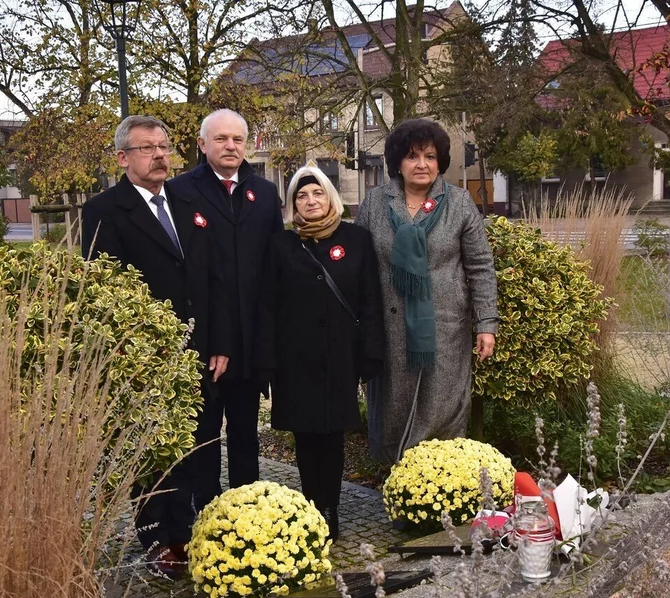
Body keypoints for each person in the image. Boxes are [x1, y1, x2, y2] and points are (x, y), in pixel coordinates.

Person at [82, 115, 230, 579]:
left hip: (199, 351)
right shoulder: (105, 210)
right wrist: (137, 351)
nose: (160, 155)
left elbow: (213, 278)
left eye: (164, 146)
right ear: (123, 157)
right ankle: (160, 541)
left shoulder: (188, 203)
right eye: (147, 148)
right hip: (147, 357)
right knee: (153, 453)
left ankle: (191, 529)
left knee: (198, 445)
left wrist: (220, 342)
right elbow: (105, 288)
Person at [354, 119, 498, 464]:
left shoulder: (459, 203)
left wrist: (486, 324)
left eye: (430, 156)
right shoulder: (375, 204)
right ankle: (397, 476)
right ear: (397, 162)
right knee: (393, 408)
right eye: (412, 156)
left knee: (442, 407)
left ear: (440, 161)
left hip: (445, 329)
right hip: (389, 329)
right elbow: (357, 268)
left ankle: (440, 481)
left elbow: (480, 266)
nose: (422, 164)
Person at [255, 166, 385, 540]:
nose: (310, 201)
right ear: (293, 204)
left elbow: (370, 300)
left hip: (340, 357)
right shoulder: (281, 245)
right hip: (295, 361)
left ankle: (330, 509)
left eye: (317, 193)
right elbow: (267, 306)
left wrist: (371, 355)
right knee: (305, 437)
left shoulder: (356, 239)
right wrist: (266, 363)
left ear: (330, 197)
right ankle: (311, 506)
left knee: (332, 437)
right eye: (301, 195)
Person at [168, 109, 283, 512]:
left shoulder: (264, 193)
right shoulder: (180, 192)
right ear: (202, 145)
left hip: (251, 338)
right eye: (221, 139)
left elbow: (273, 267)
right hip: (204, 338)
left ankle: (244, 510)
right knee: (203, 432)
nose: (231, 146)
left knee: (246, 431)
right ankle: (206, 509)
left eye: (238, 139)